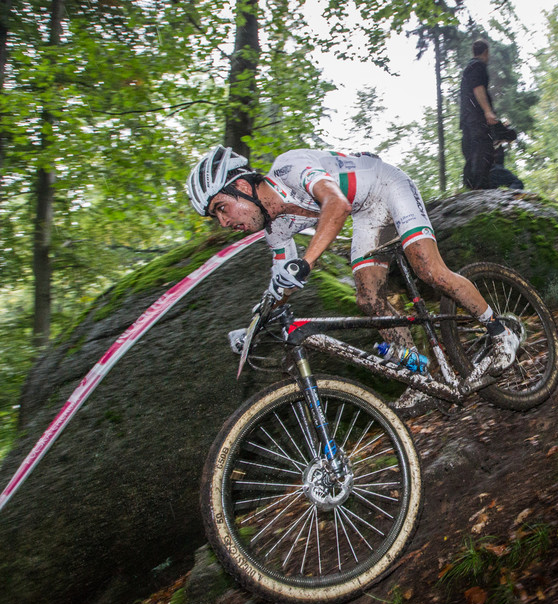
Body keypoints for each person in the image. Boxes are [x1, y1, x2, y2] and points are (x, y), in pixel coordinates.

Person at [186, 146, 519, 417]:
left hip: (387, 186)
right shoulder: (276, 228)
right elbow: (282, 282)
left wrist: (306, 262)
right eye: (217, 216)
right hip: (367, 214)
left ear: (242, 187)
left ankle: (500, 333)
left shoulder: (288, 169)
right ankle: (420, 376)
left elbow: (336, 203)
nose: (225, 221)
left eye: (222, 208)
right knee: (367, 299)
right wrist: (252, 329)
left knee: (428, 270)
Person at [459, 40, 498, 190]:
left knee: (470, 151)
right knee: (483, 150)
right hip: (477, 118)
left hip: (467, 118)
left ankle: (469, 188)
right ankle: (481, 189)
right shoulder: (478, 66)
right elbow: (478, 88)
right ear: (486, 52)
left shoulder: (468, 68)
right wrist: (488, 111)